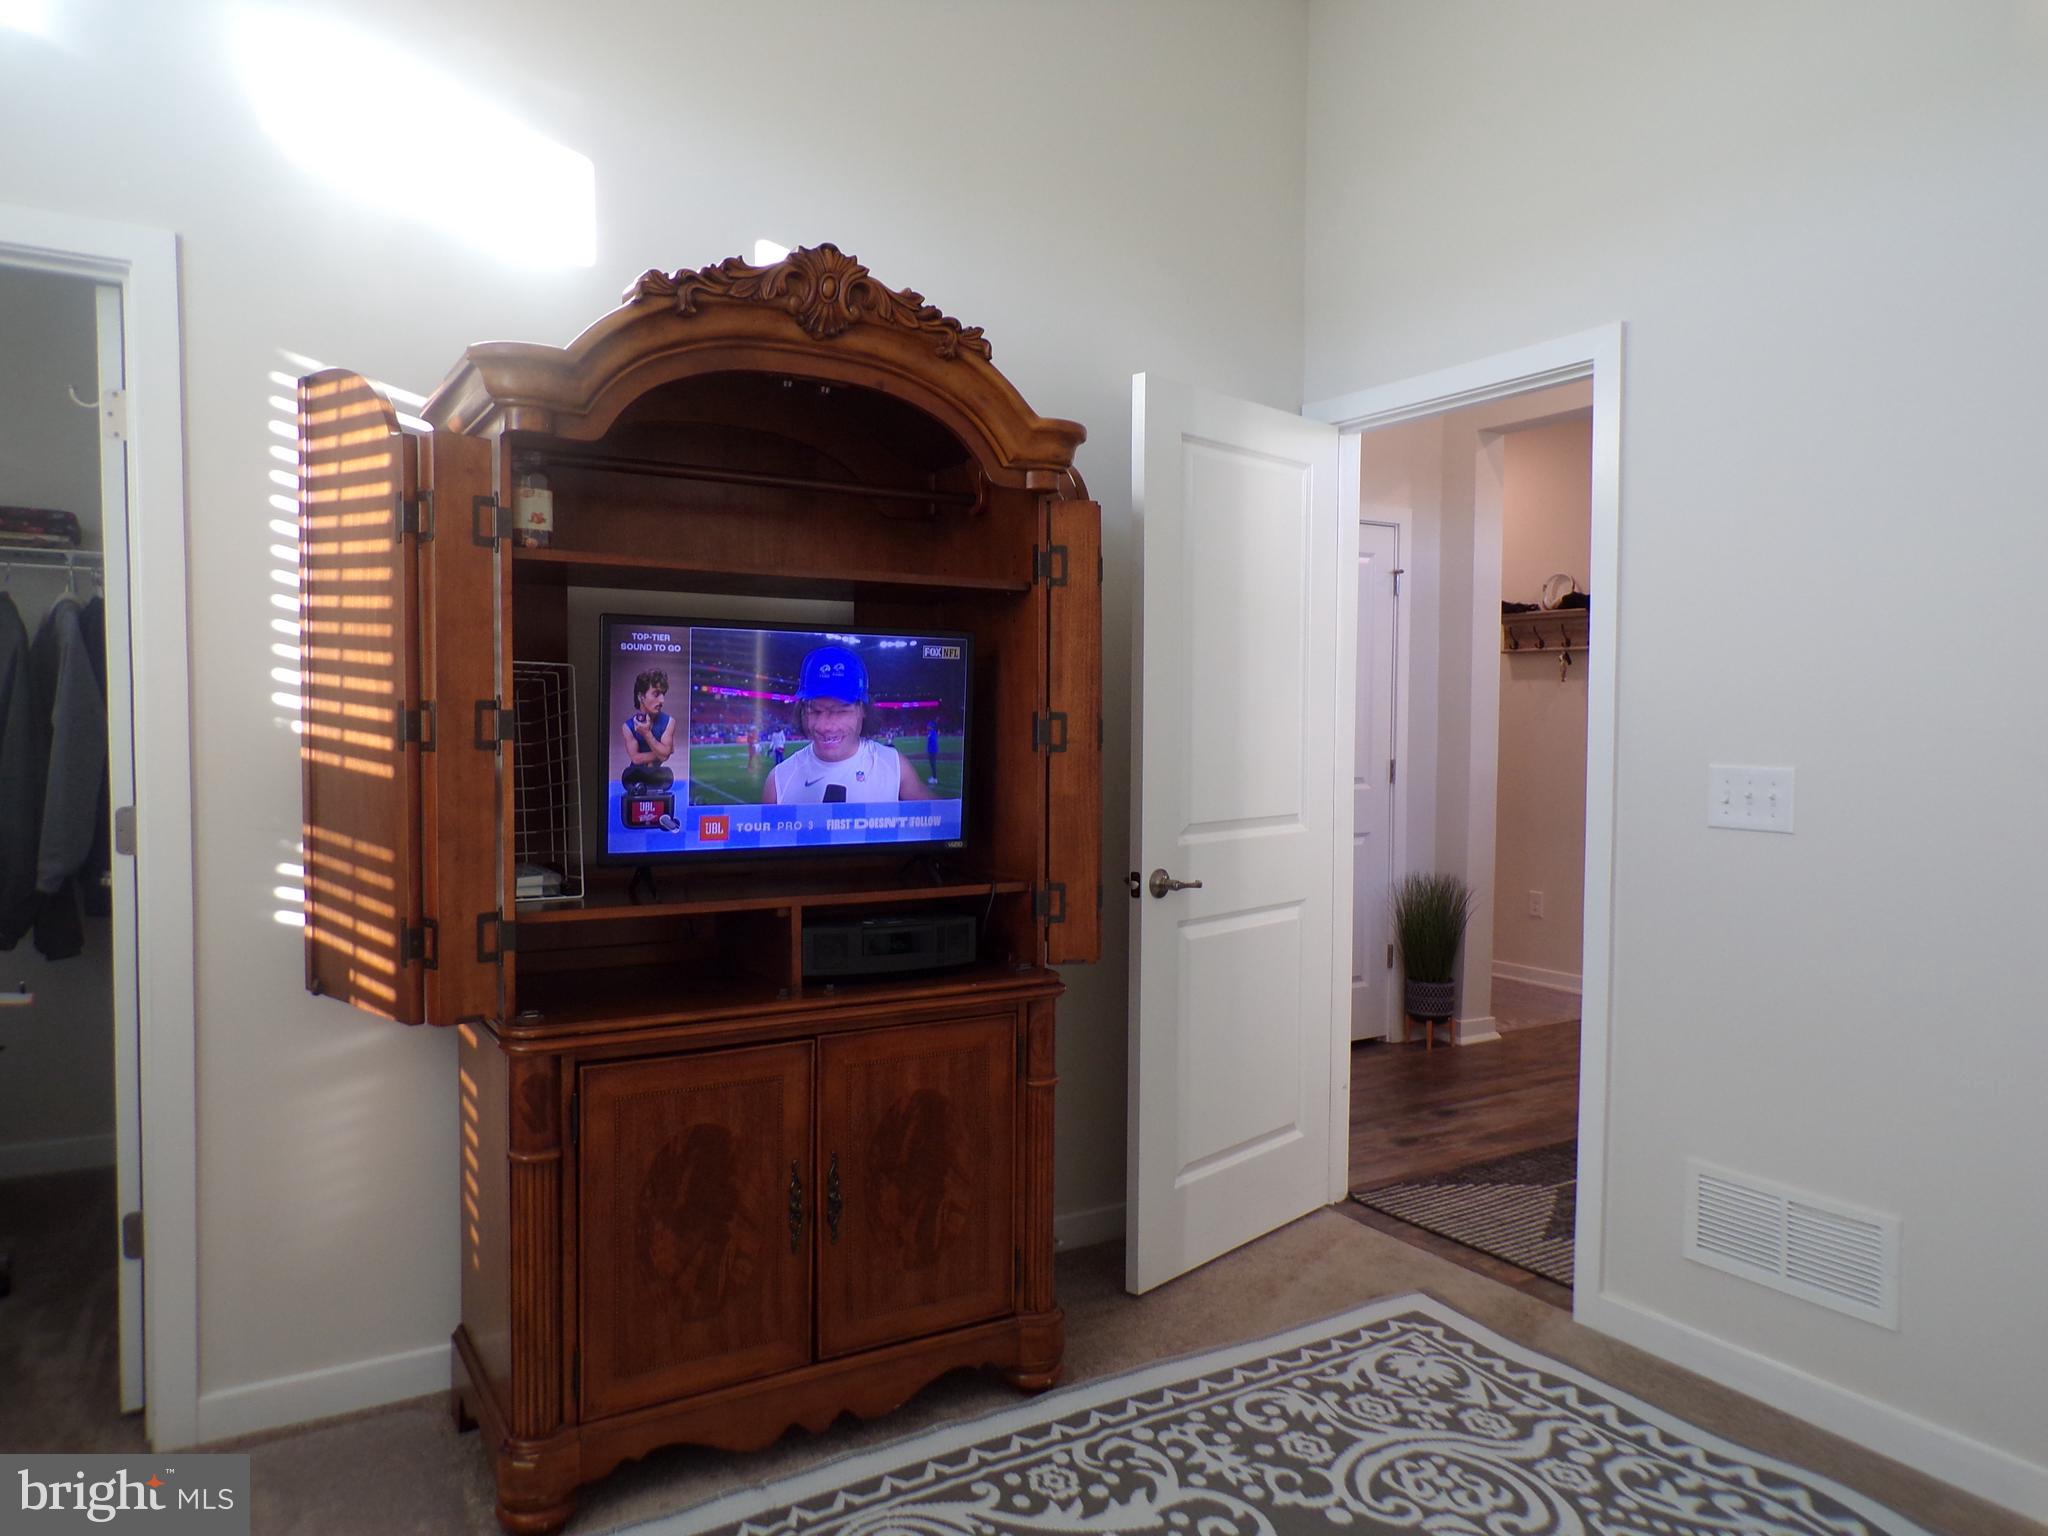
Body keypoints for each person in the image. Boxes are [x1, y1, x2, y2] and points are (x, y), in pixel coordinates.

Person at [762, 644, 935, 805]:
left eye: (841, 711)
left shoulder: (894, 766)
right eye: (814, 711)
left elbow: (942, 823)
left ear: (863, 710)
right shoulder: (778, 781)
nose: (825, 727)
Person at [619, 669, 677, 789]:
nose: (662, 700)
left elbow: (665, 753)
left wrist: (646, 734)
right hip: (634, 779)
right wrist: (663, 752)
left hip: (660, 779)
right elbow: (636, 758)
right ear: (641, 696)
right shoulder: (628, 727)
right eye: (656, 694)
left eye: (663, 694)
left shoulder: (670, 722)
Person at [925, 718, 941, 787]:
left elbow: (934, 742)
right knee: (932, 765)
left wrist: (932, 750)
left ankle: (934, 779)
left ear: (931, 727)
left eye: (928, 726)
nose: (927, 727)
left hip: (932, 751)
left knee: (933, 764)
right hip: (931, 751)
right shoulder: (931, 732)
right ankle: (933, 777)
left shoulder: (932, 733)